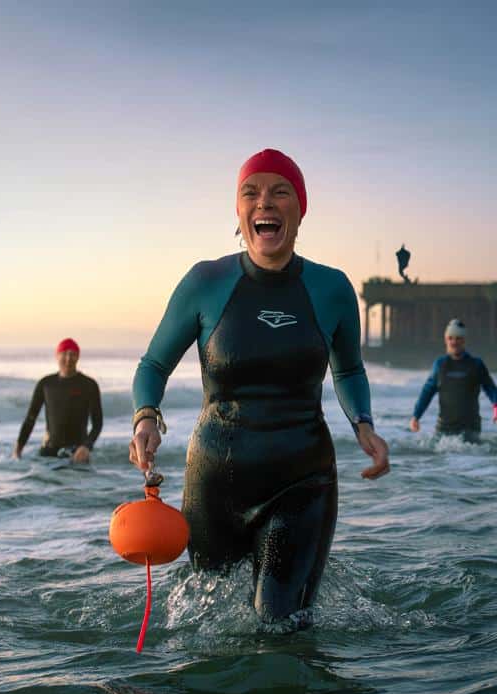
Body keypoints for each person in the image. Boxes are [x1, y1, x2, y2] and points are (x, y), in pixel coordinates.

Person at [127, 148, 390, 625]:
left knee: (279, 621)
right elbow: (153, 364)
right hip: (215, 481)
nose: (264, 202)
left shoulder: (331, 288)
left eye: (279, 192)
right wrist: (146, 416)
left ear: (299, 209)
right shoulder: (206, 282)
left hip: (302, 478)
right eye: (251, 193)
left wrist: (364, 425)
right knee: (212, 627)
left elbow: (348, 369)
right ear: (239, 210)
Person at [409, 318, 497, 442]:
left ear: (464, 340)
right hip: (444, 429)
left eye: (458, 338)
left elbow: (490, 387)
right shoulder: (440, 365)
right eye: (450, 338)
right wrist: (416, 416)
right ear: (445, 340)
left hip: (470, 429)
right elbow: (427, 392)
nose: (454, 342)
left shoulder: (475, 364)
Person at [14, 338, 102, 463]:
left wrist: (86, 447)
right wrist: (18, 449)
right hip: (49, 451)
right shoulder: (46, 384)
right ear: (57, 355)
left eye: (72, 354)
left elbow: (97, 423)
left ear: (78, 357)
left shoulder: (89, 385)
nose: (68, 358)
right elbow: (30, 419)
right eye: (64, 353)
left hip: (77, 453)